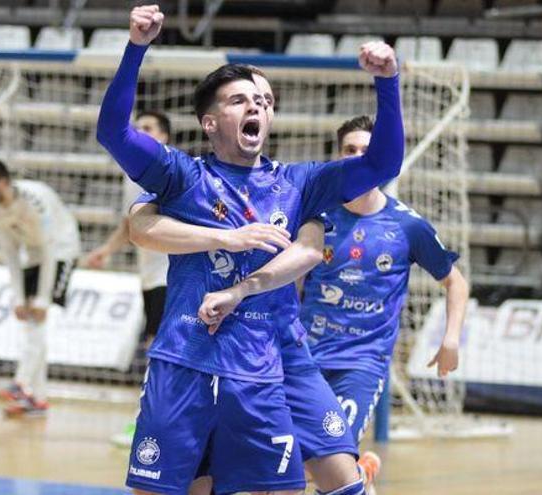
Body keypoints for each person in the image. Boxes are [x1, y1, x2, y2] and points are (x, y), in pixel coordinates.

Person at [97, 5, 402, 494]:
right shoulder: (184, 177)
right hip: (186, 357)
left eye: (264, 100)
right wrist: (136, 48)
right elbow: (114, 133)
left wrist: (388, 82)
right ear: (210, 122)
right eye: (240, 100)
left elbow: (383, 161)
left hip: (263, 362)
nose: (256, 107)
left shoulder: (300, 183)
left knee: (295, 485)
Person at [198, 116, 469, 447]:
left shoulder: (407, 226)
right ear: (338, 155)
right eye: (349, 149)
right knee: (280, 456)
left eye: (366, 150)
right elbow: (290, 276)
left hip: (362, 363)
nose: (357, 156)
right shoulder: (317, 215)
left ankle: (357, 472)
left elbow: (455, 283)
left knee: (332, 452)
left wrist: (450, 339)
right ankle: (362, 477)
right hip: (305, 356)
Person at [85, 111, 172, 446]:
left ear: (164, 137)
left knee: (158, 348)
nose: (140, 132)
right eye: (137, 127)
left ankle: (148, 424)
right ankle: (155, 421)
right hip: (149, 276)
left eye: (149, 128)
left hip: (171, 274)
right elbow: (130, 223)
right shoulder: (132, 174)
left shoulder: (169, 170)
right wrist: (106, 250)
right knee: (158, 348)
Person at [0, 159, 81, 417]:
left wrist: (43, 298)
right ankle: (37, 398)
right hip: (33, 253)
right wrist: (19, 297)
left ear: (3, 182)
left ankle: (21, 383)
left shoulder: (33, 202)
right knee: (33, 325)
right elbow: (11, 254)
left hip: (61, 248)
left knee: (38, 317)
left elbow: (49, 250)